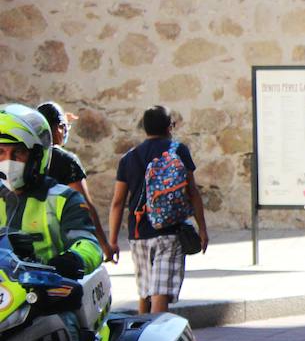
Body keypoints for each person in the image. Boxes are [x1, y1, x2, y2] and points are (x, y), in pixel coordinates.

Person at [108, 105, 209, 315]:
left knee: (145, 291)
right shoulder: (178, 150)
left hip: (138, 234)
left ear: (144, 128)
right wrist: (203, 229)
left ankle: (140, 338)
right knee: (160, 292)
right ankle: (155, 339)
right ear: (168, 127)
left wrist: (113, 240)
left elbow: (118, 202)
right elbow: (192, 192)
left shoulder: (129, 158)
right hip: (169, 231)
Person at [0, 103, 102, 279]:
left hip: (48, 295)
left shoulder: (63, 199)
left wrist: (74, 259)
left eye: (18, 152)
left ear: (37, 157)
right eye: (1, 152)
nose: (8, 161)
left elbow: (89, 244)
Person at [35, 101, 113, 261]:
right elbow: (85, 205)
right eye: (64, 126)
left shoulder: (27, 156)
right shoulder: (65, 160)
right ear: (57, 127)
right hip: (60, 236)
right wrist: (104, 244)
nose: (65, 131)